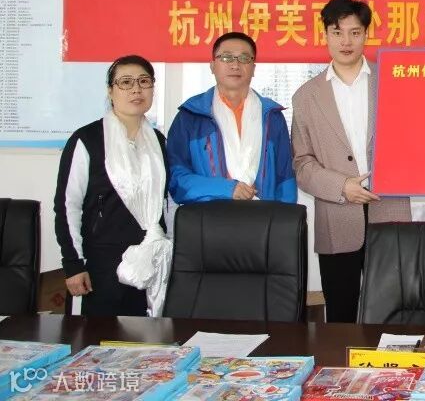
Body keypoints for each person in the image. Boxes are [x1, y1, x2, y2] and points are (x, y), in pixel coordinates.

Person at [291, 0, 415, 323]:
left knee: (392, 314)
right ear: (325, 35)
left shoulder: (394, 82)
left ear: (366, 35)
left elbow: (416, 144)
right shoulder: (305, 96)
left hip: (389, 213)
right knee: (341, 317)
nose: (345, 41)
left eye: (354, 32)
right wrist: (341, 186)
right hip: (337, 215)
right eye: (337, 32)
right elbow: (302, 164)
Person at [54, 55, 169, 316]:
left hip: (152, 258)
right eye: (125, 82)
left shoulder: (159, 142)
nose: (136, 89)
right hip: (102, 265)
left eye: (144, 81)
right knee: (99, 338)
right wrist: (73, 264)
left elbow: (166, 204)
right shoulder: (87, 139)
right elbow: (67, 206)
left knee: (150, 337)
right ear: (110, 91)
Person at [167, 31, 296, 203]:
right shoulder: (190, 116)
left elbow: (285, 180)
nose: (235, 65)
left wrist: (284, 218)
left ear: (253, 68)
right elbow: (176, 178)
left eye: (244, 58)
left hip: (264, 217)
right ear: (212, 66)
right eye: (226, 57)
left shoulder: (272, 117)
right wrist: (226, 189)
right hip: (208, 216)